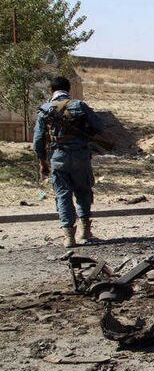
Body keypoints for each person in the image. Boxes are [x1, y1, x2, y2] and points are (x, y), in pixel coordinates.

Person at [33, 76, 105, 248]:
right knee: (83, 191)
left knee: (63, 195)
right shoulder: (79, 106)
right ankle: (85, 231)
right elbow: (100, 127)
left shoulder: (45, 109)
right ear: (68, 90)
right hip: (81, 156)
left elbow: (37, 140)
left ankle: (68, 237)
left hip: (59, 157)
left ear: (52, 91)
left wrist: (42, 162)